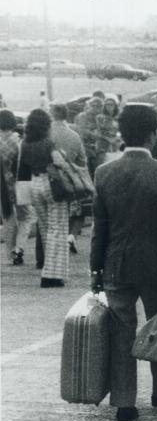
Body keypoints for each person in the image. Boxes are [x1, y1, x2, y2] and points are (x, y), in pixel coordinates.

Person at [90, 104, 157, 421]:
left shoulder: (104, 173)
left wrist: (95, 269)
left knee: (122, 333)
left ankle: (124, 402)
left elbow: (99, 229)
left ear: (122, 133)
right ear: (153, 133)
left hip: (116, 265)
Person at [17, 108, 70, 287]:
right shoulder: (48, 143)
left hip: (34, 184)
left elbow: (22, 165)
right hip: (51, 184)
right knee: (58, 228)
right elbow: (59, 163)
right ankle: (52, 275)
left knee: (45, 228)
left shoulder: (24, 143)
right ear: (46, 125)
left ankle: (48, 268)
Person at [50, 103, 88, 251]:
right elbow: (82, 159)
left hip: (51, 177)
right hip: (71, 177)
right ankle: (71, 236)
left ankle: (56, 241)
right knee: (77, 210)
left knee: (55, 212)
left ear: (52, 114)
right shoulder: (74, 135)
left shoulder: (46, 133)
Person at [0, 109, 24, 265]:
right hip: (14, 181)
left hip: (1, 181)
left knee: (6, 217)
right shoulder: (17, 140)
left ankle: (10, 252)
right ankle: (15, 249)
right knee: (15, 217)